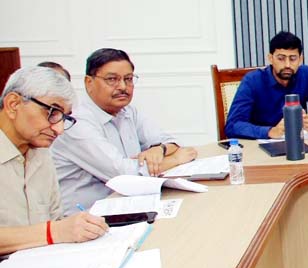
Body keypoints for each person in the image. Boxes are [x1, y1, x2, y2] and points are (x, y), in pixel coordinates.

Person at [52, 49, 198, 207]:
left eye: (128, 79)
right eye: (112, 79)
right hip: (88, 214)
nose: (123, 86)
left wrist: (159, 149)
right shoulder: (75, 122)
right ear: (89, 83)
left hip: (128, 204)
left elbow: (171, 141)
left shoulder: (128, 112)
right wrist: (175, 159)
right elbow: (123, 176)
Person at [0, 66, 107, 252]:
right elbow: (54, 230)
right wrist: (53, 232)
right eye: (52, 113)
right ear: (13, 104)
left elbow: (55, 220)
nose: (59, 130)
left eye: (64, 118)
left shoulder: (42, 154)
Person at [224, 31, 308, 139]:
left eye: (293, 59)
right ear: (270, 58)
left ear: (300, 59)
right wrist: (269, 131)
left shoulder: (306, 75)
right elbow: (233, 125)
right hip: (260, 145)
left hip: (298, 143)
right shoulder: (252, 81)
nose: (287, 65)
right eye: (281, 58)